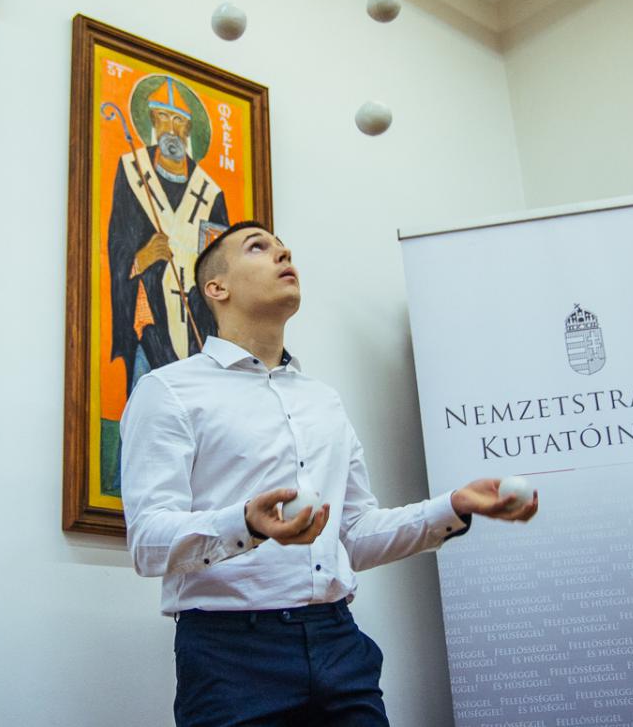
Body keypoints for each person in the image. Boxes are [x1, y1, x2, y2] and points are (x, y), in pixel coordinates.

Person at [119, 221, 539, 727]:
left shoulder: (323, 400)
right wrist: (246, 523)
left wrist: (453, 507)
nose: (283, 254)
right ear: (217, 287)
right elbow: (147, 542)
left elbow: (353, 534)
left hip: (340, 645)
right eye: (258, 247)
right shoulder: (168, 392)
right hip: (230, 658)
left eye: (284, 248)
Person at [107, 75, 228, 397]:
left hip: (195, 316)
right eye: (162, 116)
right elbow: (117, 240)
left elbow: (221, 265)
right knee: (149, 401)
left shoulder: (210, 193)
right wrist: (139, 259)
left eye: (179, 120)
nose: (170, 129)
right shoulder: (133, 171)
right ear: (151, 121)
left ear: (188, 130)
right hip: (149, 313)